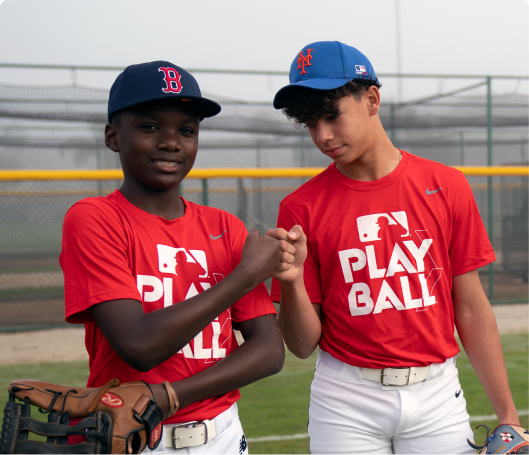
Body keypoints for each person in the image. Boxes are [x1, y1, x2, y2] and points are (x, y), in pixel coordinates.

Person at [268, 41, 519, 454]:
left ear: (371, 99)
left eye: (332, 116)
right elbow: (300, 344)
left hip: (437, 394)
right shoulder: (300, 208)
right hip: (346, 399)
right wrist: (291, 283)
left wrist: (508, 415)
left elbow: (471, 307)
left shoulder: (447, 185)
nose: (323, 136)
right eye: (311, 123)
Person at [59, 61, 287, 454]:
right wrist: (243, 277)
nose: (170, 142)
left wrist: (168, 397)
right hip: (134, 439)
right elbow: (138, 345)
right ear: (113, 137)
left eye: (186, 130)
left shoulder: (225, 227)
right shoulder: (95, 218)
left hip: (224, 435)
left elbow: (269, 350)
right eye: (149, 127)